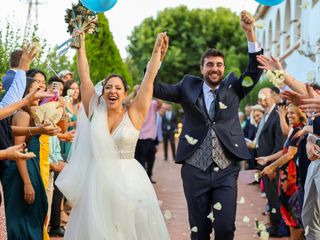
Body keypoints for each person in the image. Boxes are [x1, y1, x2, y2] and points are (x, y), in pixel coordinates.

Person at [153, 11, 263, 240]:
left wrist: (249, 32)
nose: (215, 68)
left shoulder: (234, 86)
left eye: (219, 65)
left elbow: (254, 71)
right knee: (199, 230)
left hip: (226, 170)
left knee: (225, 228)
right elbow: (155, 87)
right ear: (201, 68)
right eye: (210, 64)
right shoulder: (187, 86)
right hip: (194, 170)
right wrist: (157, 57)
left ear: (223, 68)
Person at [56, 32, 170, 239]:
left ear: (124, 93)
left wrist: (156, 53)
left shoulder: (134, 114)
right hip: (96, 182)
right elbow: (85, 77)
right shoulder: (94, 113)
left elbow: (149, 80)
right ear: (102, 92)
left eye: (117, 88)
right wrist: (80, 47)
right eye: (108, 87)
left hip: (129, 181)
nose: (112, 91)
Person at [258, 104, 306, 240]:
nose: (289, 116)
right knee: (288, 211)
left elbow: (289, 154)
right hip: (286, 179)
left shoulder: (300, 131)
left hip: (294, 179)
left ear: (300, 114)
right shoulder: (294, 130)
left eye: (293, 113)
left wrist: (271, 167)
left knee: (295, 214)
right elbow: (284, 149)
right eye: (288, 113)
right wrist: (267, 158)